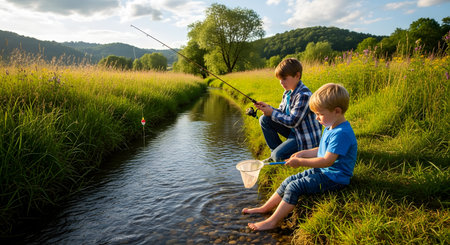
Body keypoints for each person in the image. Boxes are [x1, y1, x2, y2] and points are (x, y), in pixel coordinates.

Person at [244, 83, 358, 231]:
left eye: (320, 114)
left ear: (337, 111)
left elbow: (326, 161)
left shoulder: (341, 133)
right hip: (325, 172)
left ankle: (272, 221)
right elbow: (322, 150)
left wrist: (301, 162)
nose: (316, 118)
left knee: (294, 187)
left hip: (335, 178)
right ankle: (265, 208)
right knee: (288, 180)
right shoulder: (331, 126)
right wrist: (303, 153)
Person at [254, 58, 321, 162]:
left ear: (297, 76)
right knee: (264, 119)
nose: (281, 82)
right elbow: (281, 112)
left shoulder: (304, 95)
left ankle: (278, 155)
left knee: (278, 157)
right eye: (280, 79)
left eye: (284, 78)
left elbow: (292, 121)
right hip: (294, 132)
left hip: (304, 138)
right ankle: (276, 151)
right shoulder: (288, 92)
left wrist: (272, 112)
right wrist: (268, 108)